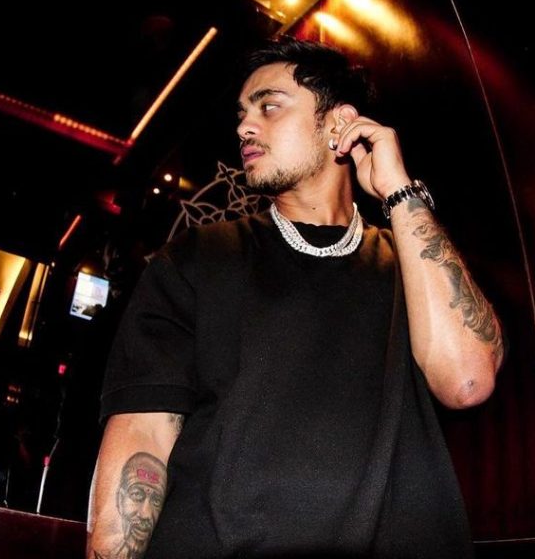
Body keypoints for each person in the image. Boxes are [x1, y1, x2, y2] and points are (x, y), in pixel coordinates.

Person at [87, 37, 505, 559]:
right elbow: (143, 434)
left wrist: (399, 193)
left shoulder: (412, 264)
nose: (244, 127)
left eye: (269, 106)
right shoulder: (196, 258)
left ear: (339, 124)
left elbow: (467, 380)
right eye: (242, 114)